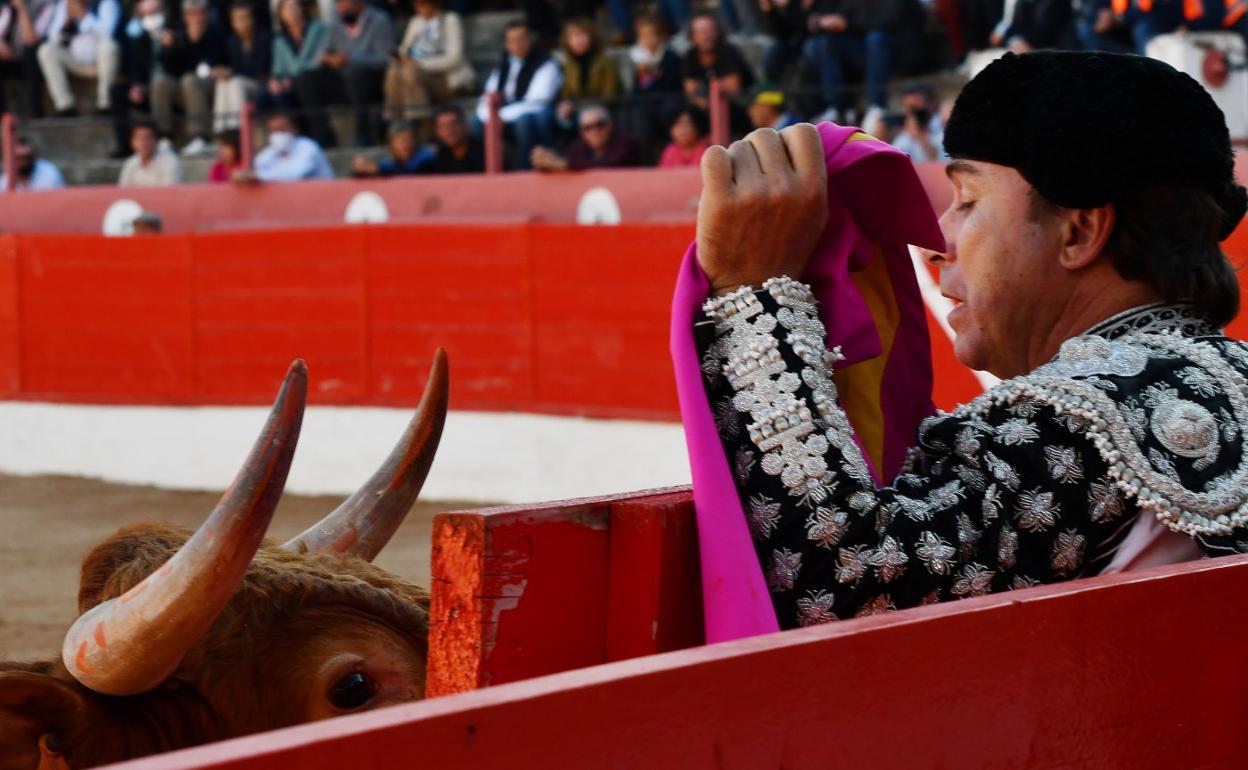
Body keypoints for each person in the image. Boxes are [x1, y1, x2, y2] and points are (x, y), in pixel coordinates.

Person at [686, 51, 1248, 627]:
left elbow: (839, 583)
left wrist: (755, 297)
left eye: (969, 201)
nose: (937, 243)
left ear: (1078, 232)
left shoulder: (1075, 422)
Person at [297, 0, 394, 147]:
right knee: (306, 78)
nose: (340, 8)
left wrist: (350, 59)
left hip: (372, 80)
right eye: (338, 5)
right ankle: (322, 137)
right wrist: (328, 59)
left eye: (344, 4)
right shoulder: (335, 22)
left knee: (354, 75)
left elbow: (385, 57)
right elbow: (322, 54)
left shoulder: (379, 20)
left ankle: (363, 134)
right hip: (342, 80)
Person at [473, 21, 561, 171]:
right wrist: (491, 117)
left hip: (538, 114)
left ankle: (523, 170)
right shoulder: (503, 66)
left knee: (524, 121)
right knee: (475, 123)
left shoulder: (547, 64)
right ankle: (482, 170)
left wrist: (499, 116)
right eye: (512, 40)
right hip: (507, 114)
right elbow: (488, 97)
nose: (518, 44)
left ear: (530, 40)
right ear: (507, 44)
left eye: (522, 39)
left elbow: (536, 101)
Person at [803, 0, 902, 122]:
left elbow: (886, 22)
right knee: (822, 44)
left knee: (876, 38)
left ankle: (876, 106)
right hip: (859, 49)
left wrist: (847, 24)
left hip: (892, 49)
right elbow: (835, 16)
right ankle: (838, 107)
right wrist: (820, 21)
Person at [157, 0, 227, 156]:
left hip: (210, 87)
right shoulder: (178, 34)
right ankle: (164, 137)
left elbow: (214, 64)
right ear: (185, 17)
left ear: (207, 14)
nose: (196, 18)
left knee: (190, 79)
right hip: (183, 88)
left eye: (200, 13)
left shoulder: (217, 32)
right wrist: (168, 48)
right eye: (192, 14)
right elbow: (170, 68)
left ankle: (200, 137)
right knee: (160, 82)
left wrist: (197, 42)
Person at [384, 0, 474, 120]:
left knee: (410, 73)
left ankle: (417, 120)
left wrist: (420, 64)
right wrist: (398, 56)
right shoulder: (415, 21)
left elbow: (454, 58)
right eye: (416, 4)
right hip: (415, 70)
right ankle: (395, 120)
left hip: (446, 78)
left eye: (422, 3)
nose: (418, 7)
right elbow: (405, 49)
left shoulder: (450, 19)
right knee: (393, 72)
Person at [36, 0, 120, 115]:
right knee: (46, 50)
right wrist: (67, 22)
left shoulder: (106, 3)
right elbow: (53, 38)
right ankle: (65, 105)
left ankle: (105, 103)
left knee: (108, 46)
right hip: (74, 62)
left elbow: (107, 33)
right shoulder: (64, 5)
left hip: (100, 64)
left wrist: (83, 16)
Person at [257, 0, 325, 116]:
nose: (291, 11)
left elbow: (321, 60)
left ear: (301, 8)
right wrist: (276, 81)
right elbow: (277, 70)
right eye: (286, 9)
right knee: (269, 91)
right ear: (280, 14)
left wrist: (291, 80)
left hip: (314, 78)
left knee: (298, 85)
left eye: (294, 7)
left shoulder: (318, 29)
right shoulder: (279, 40)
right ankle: (285, 125)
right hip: (288, 83)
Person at [554, 18, 620, 132]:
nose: (579, 40)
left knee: (584, 117)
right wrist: (565, 105)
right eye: (574, 37)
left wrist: (577, 107)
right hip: (576, 109)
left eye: (582, 35)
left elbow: (610, 95)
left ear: (591, 37)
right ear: (567, 41)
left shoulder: (605, 61)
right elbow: (566, 92)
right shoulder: (569, 64)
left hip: (600, 108)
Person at [213, 1, 270, 132]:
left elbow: (260, 71)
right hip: (240, 83)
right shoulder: (231, 42)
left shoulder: (264, 38)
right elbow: (225, 65)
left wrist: (232, 72)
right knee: (222, 82)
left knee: (235, 82)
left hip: (260, 85)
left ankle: (238, 128)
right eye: (238, 19)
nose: (243, 22)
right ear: (232, 23)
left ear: (253, 19)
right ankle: (220, 130)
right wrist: (219, 71)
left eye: (245, 17)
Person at [530, 103, 639, 172]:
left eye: (600, 125)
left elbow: (608, 166)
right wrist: (547, 161)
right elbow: (569, 159)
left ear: (610, 125)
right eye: (587, 128)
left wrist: (564, 164)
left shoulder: (627, 144)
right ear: (582, 132)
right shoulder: (580, 146)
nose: (594, 131)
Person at [246, 110, 333, 181]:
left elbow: (297, 174)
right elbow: (259, 170)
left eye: (282, 129)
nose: (279, 134)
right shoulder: (266, 154)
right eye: (274, 130)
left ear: (295, 129)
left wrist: (260, 176)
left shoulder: (308, 147)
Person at [0, 0, 51, 117]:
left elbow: (31, 39)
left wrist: (22, 9)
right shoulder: (8, 9)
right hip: (13, 59)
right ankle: (3, 114)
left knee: (30, 52)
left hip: (38, 62)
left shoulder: (44, 6)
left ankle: (34, 109)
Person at [890, 81, 945, 162]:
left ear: (930, 104)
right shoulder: (904, 136)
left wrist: (919, 136)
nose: (910, 113)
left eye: (914, 107)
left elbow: (941, 162)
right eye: (907, 107)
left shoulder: (943, 127)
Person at [352, 121, 433, 176]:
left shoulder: (424, 159)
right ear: (390, 144)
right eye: (401, 140)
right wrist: (361, 171)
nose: (406, 144)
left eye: (409, 139)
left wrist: (378, 170)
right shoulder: (386, 164)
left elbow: (409, 173)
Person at [118, 120, 183, 186]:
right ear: (132, 142)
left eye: (148, 138)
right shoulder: (130, 163)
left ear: (156, 140)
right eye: (139, 138)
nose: (144, 143)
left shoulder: (170, 162)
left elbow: (169, 190)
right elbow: (123, 190)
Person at [425, 103, 483, 173]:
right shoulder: (440, 157)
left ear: (464, 124)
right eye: (444, 126)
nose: (449, 130)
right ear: (437, 131)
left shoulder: (484, 152)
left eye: (454, 123)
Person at [0, 136, 65, 189]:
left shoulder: (49, 173)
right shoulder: (5, 179)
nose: (22, 162)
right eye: (18, 158)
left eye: (25, 157)